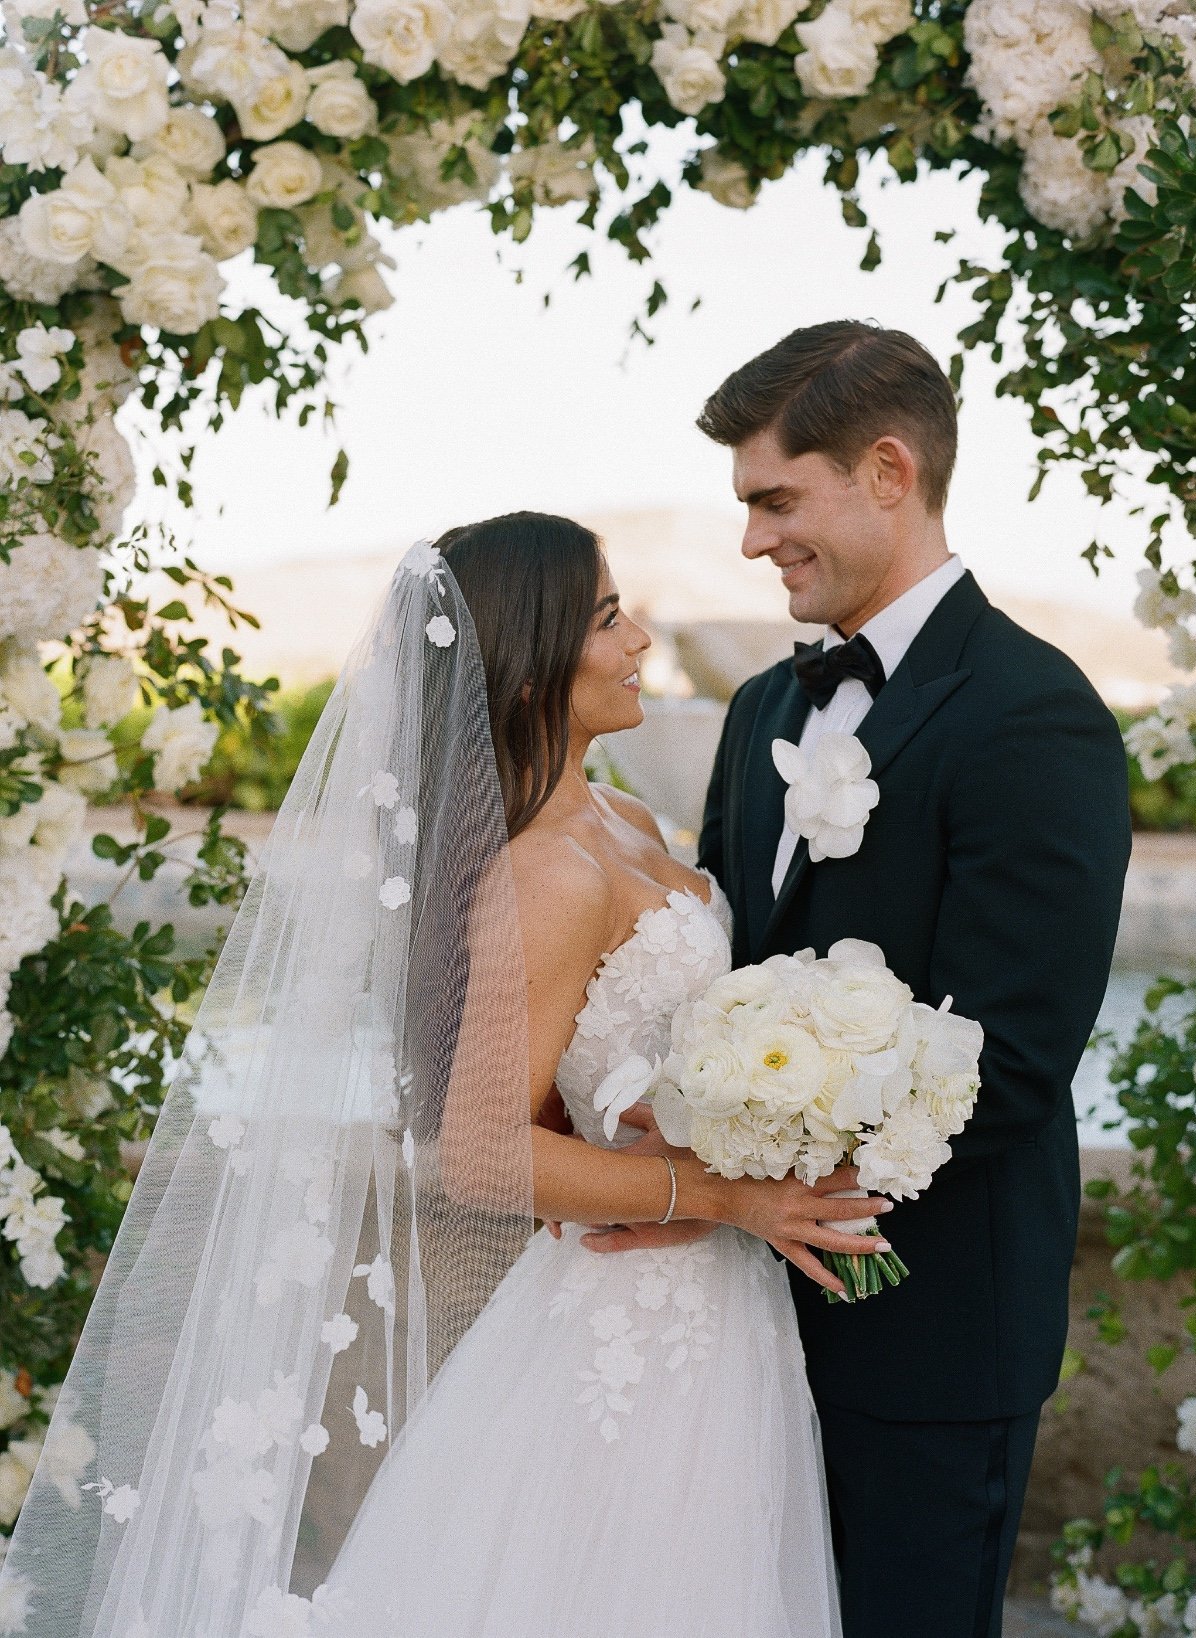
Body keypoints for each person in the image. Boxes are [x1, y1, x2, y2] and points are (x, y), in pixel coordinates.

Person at [0, 513, 865, 1637]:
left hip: (718, 1298)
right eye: (607, 619)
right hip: (628, 1310)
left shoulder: (625, 817)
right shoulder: (547, 876)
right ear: (527, 669)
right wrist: (716, 1195)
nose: (641, 638)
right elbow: (479, 1149)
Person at [681, 321, 1131, 1638]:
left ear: (888, 469)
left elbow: (1011, 1061)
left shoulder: (1032, 712)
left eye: (776, 499)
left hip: (930, 1327)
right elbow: (721, 966)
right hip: (739, 1315)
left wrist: (747, 1183)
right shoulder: (764, 705)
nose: (755, 540)